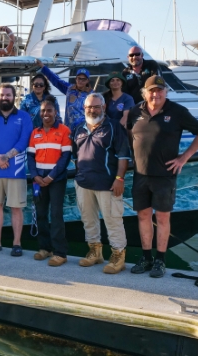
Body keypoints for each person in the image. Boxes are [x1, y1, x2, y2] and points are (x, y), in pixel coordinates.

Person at [127, 75, 198, 278]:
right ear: (145, 93)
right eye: (152, 91)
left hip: (165, 176)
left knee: (162, 217)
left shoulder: (177, 111)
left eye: (160, 90)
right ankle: (146, 258)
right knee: (143, 216)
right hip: (140, 175)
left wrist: (184, 158)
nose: (156, 94)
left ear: (165, 92)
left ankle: (160, 261)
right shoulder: (135, 111)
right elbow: (130, 135)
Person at [71, 93, 130, 274]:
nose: (92, 110)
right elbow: (75, 155)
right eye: (89, 107)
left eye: (96, 106)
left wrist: (119, 179)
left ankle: (118, 255)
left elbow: (123, 155)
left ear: (103, 107)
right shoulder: (79, 128)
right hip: (83, 184)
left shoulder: (113, 127)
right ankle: (95, 252)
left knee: (113, 220)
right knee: (88, 220)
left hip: (108, 184)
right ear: (84, 109)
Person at [0, 84, 33, 256]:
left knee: (16, 208)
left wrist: (6, 157)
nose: (5, 98)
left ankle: (17, 243)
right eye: (2, 95)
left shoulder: (24, 117)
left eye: (8, 95)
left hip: (15, 171)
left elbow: (25, 141)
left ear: (14, 97)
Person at [27, 95, 71, 266]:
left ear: (55, 112)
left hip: (56, 179)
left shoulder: (64, 131)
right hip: (39, 178)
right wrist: (35, 175)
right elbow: (30, 157)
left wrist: (51, 176)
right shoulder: (35, 132)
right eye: (43, 110)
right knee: (41, 214)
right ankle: (45, 248)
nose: (46, 113)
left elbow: (65, 157)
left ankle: (60, 253)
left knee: (56, 215)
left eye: (49, 110)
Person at [35, 59, 92, 131]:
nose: (80, 81)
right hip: (69, 129)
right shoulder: (69, 89)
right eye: (79, 78)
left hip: (84, 130)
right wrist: (43, 67)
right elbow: (56, 80)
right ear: (76, 79)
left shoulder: (92, 95)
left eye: (83, 79)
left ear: (88, 80)